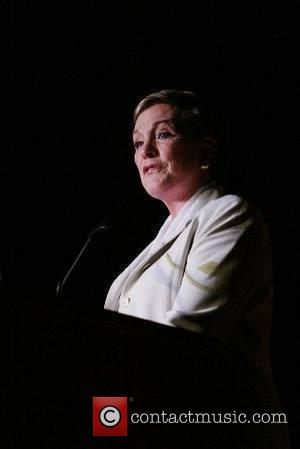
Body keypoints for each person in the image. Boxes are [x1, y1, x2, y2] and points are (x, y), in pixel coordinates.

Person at [104, 89, 290, 448]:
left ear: (205, 150)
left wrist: (103, 418)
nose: (145, 151)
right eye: (138, 141)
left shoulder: (228, 215)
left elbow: (185, 340)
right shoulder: (157, 242)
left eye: (163, 134)